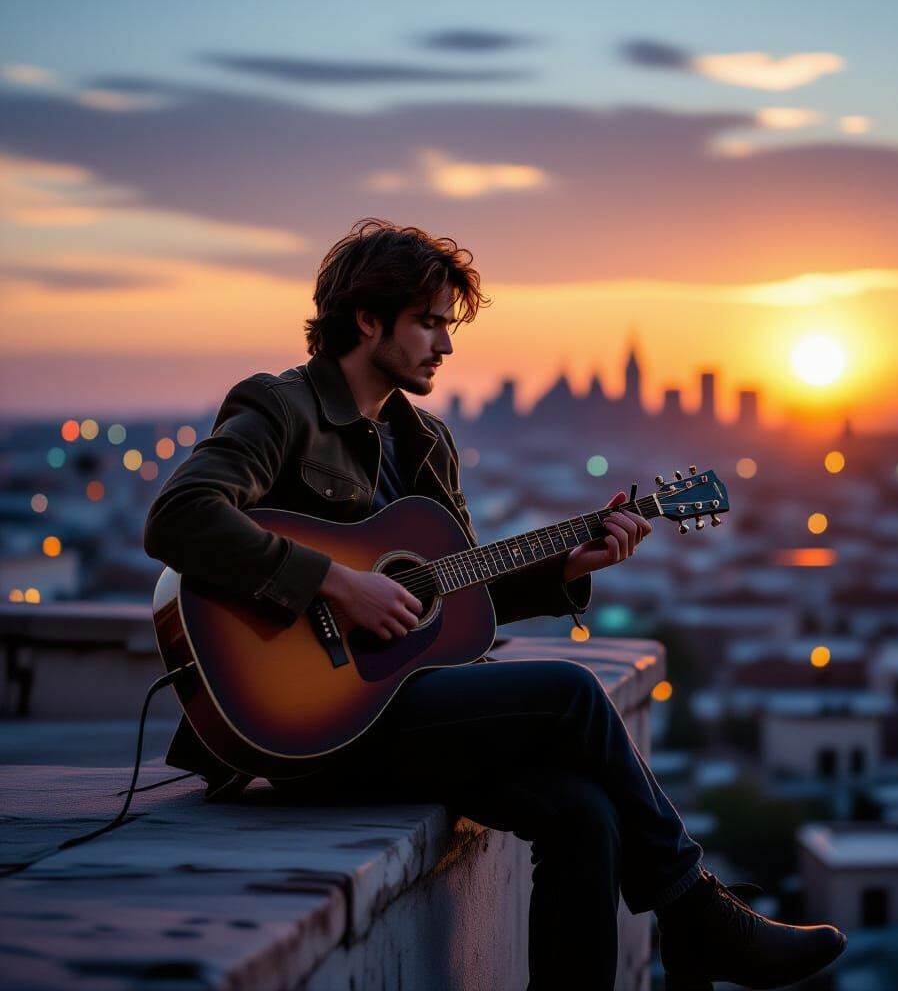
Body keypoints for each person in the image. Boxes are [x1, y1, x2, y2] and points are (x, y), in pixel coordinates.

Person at [143, 219, 846, 991]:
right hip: (305, 725)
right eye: (431, 324)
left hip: (398, 710)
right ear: (367, 320)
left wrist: (567, 567)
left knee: (585, 813)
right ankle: (696, 913)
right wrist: (336, 582)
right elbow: (178, 517)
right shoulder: (283, 409)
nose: (446, 346)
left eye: (449, 326)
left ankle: (680, 930)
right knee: (571, 691)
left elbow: (454, 599)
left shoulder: (426, 443)